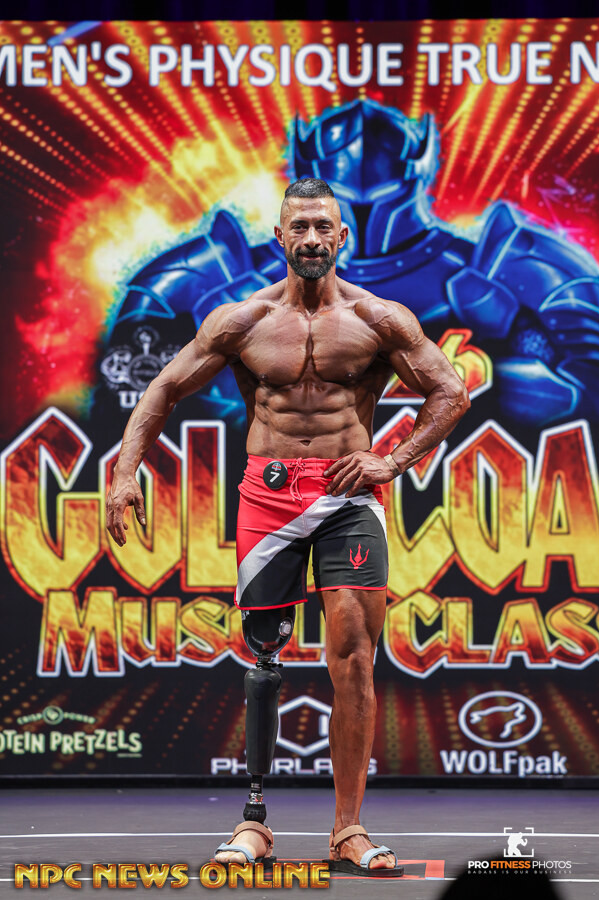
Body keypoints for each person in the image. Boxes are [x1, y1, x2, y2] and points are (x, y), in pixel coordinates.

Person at [106, 177, 470, 877]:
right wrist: (126, 474)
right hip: (268, 497)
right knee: (264, 659)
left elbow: (450, 390)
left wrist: (391, 459)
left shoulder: (378, 318)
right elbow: (163, 388)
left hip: (347, 496)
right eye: (298, 227)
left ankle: (348, 829)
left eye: (322, 227)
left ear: (342, 236)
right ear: (280, 237)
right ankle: (255, 821)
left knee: (354, 655)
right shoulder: (241, 321)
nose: (310, 239)